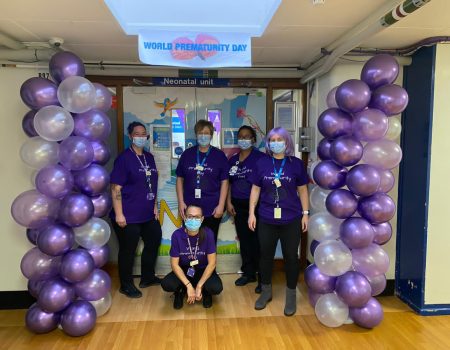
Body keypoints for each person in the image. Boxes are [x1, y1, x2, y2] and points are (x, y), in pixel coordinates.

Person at [248, 127, 309, 316]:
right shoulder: (262, 162)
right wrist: (252, 213)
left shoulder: (296, 164)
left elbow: (303, 190)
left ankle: (291, 296)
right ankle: (266, 292)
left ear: (287, 142)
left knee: (291, 257)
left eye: (279, 139)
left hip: (291, 218)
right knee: (265, 255)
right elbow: (256, 189)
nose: (276, 142)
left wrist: (305, 213)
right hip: (266, 218)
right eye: (272, 139)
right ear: (268, 143)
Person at [110, 121, 162, 298]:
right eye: (137, 134)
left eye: (143, 134)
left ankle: (147, 277)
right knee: (128, 250)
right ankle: (126, 285)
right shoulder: (124, 158)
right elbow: (116, 188)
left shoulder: (149, 157)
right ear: (130, 136)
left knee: (154, 240)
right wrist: (119, 213)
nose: (141, 137)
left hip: (147, 213)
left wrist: (154, 205)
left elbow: (151, 184)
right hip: (128, 215)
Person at [176, 120, 229, 243]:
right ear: (196, 134)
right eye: (200, 133)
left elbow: (225, 182)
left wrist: (221, 205)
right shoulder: (187, 154)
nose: (203, 136)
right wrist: (180, 202)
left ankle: (210, 263)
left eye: (206, 133)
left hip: (212, 207)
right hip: (189, 207)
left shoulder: (219, 156)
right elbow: (179, 178)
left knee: (209, 240)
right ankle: (191, 262)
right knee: (190, 240)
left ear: (211, 135)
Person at [161, 205, 223, 309]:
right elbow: (174, 264)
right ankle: (180, 291)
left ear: (202, 219)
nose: (193, 220)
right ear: (185, 218)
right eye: (190, 216)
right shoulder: (177, 235)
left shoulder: (208, 234)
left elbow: (212, 263)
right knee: (167, 284)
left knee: (216, 287)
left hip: (203, 270)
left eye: (197, 217)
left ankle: (205, 291)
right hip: (184, 270)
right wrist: (189, 286)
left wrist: (199, 286)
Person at [226, 125, 264, 292]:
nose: (243, 139)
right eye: (240, 136)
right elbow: (227, 183)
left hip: (257, 206)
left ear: (253, 140)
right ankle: (248, 273)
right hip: (238, 205)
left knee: (260, 241)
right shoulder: (232, 160)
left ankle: (263, 277)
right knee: (245, 240)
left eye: (247, 136)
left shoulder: (260, 158)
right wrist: (228, 202)